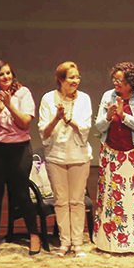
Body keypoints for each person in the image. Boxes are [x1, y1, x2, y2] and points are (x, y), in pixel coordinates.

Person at [0, 60, 41, 258]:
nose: (6, 77)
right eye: (1, 74)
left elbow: (24, 123)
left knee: (21, 193)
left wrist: (9, 105)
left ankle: (34, 234)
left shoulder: (23, 93)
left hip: (19, 149)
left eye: (8, 73)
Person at [92, 62, 134, 254]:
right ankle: (108, 242)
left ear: (130, 83)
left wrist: (123, 116)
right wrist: (108, 116)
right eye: (114, 79)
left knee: (133, 197)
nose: (116, 83)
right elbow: (98, 127)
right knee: (111, 196)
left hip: (132, 153)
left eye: (120, 80)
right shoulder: (107, 96)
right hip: (111, 152)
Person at [38, 61, 93, 257]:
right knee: (61, 201)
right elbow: (44, 131)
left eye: (77, 77)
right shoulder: (48, 98)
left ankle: (77, 243)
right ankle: (64, 242)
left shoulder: (84, 99)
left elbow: (86, 127)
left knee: (77, 201)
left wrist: (69, 119)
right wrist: (57, 117)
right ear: (61, 80)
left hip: (79, 155)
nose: (75, 81)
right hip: (56, 156)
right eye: (71, 77)